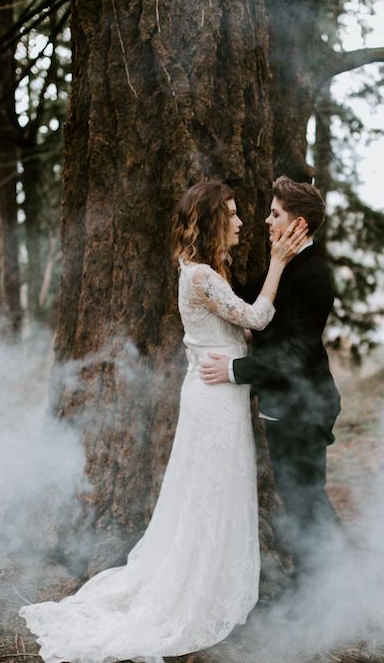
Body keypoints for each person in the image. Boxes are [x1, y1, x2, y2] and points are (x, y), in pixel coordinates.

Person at [18, 180, 307, 663]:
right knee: (209, 490)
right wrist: (279, 261)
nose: (240, 222)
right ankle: (193, 589)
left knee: (217, 488)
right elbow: (256, 319)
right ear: (213, 220)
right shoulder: (200, 278)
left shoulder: (205, 272)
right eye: (232, 214)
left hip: (218, 390)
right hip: (214, 396)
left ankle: (212, 580)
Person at [199, 176, 342, 588]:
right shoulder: (288, 264)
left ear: (299, 225)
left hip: (305, 408)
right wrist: (206, 280)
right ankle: (329, 578)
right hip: (286, 405)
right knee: (302, 498)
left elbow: (294, 356)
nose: (265, 220)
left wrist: (234, 372)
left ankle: (316, 590)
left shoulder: (312, 276)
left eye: (275, 214)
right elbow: (252, 299)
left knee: (305, 500)